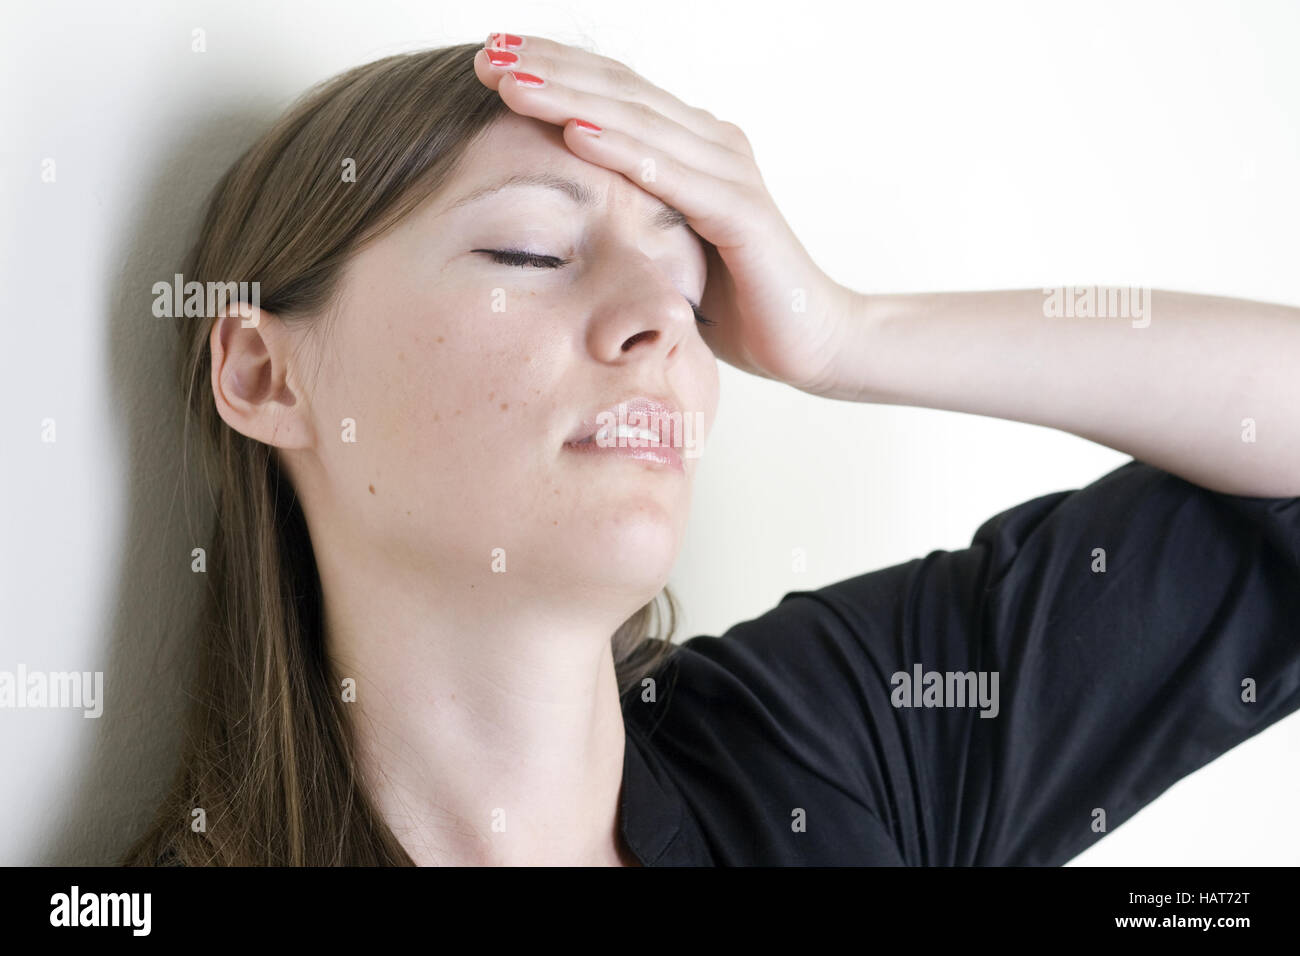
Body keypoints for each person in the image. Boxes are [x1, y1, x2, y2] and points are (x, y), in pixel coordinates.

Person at [123, 35, 1300, 867]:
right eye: (532, 251)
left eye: (688, 282)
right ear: (264, 374)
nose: (662, 325)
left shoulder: (821, 743)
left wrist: (848, 332)